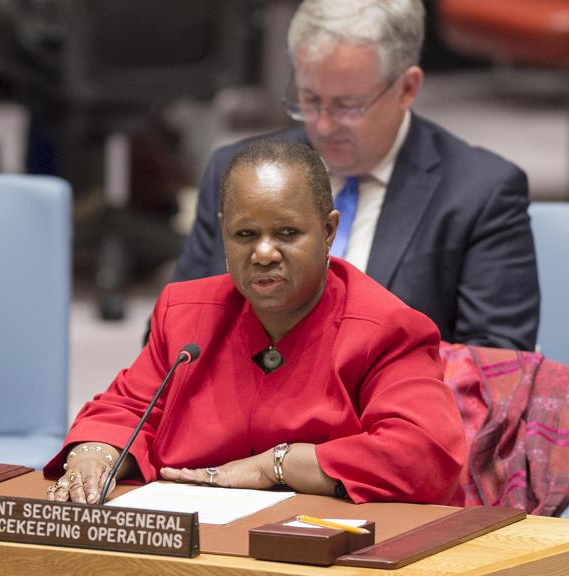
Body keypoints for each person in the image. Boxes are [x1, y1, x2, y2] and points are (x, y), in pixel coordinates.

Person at [45, 139, 465, 505]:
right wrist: (95, 454)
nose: (264, 253)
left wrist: (276, 466)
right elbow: (126, 409)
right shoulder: (185, 313)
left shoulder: (385, 329)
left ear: (328, 231)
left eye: (287, 233)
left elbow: (424, 454)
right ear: (224, 232)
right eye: (245, 235)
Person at [173, 0, 540, 351]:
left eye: (348, 106)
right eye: (309, 100)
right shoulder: (238, 173)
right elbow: (174, 332)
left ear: (407, 88)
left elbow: (495, 367)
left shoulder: (480, 192)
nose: (324, 125)